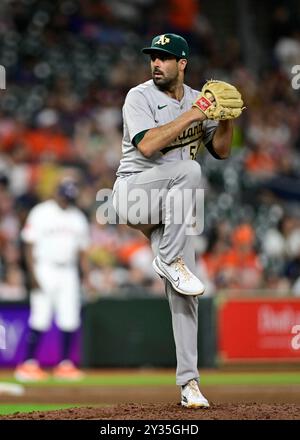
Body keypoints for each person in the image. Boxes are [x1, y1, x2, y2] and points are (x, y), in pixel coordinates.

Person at [112, 33, 244, 407]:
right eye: (153, 57)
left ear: (182, 64)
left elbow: (219, 150)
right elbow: (148, 146)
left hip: (174, 208)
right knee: (188, 169)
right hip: (133, 194)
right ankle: (169, 260)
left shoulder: (197, 100)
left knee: (187, 293)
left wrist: (225, 118)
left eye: (165, 58)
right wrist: (199, 112)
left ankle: (189, 384)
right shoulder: (139, 96)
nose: (157, 63)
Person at [14, 178, 91, 381]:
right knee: (40, 315)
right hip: (44, 267)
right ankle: (28, 364)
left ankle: (65, 365)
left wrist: (86, 277)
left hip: (68, 271)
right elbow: (28, 245)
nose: (66, 201)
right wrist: (31, 275)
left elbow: (82, 251)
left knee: (70, 316)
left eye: (70, 198)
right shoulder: (41, 212)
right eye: (64, 196)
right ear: (57, 193)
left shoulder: (77, 217)